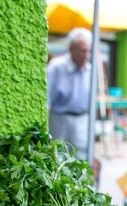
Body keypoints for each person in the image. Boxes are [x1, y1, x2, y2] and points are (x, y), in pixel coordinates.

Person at [47, 28, 93, 161]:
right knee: (58, 157)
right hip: (60, 119)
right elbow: (46, 99)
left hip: (83, 119)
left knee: (82, 158)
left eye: (88, 51)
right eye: (82, 51)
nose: (86, 55)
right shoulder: (57, 67)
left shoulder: (89, 69)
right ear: (72, 49)